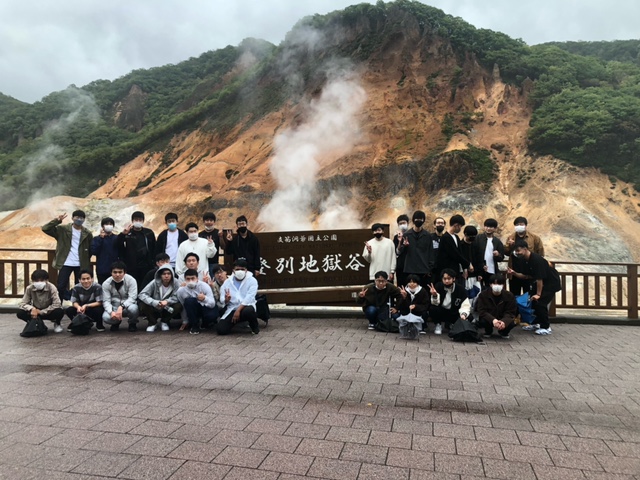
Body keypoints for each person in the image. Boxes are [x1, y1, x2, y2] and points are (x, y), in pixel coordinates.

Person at [510, 240, 560, 336]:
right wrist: (514, 273)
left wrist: (538, 294)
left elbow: (540, 279)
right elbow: (526, 276)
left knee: (540, 303)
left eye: (518, 250)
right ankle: (536, 323)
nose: (517, 253)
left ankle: (546, 327)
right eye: (515, 251)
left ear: (525, 249)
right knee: (532, 302)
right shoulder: (524, 260)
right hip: (538, 283)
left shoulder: (536, 259)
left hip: (550, 283)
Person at [42, 210, 93, 301]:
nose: (79, 219)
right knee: (61, 285)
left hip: (80, 264)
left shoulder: (87, 233)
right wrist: (57, 221)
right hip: (66, 262)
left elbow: (91, 248)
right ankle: (59, 305)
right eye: (77, 217)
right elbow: (45, 228)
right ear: (72, 218)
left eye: (81, 218)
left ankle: (77, 306)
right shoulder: (63, 229)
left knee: (80, 286)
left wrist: (86, 258)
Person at [216, 259, 260, 335]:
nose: (240, 271)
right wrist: (226, 300)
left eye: (242, 269)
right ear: (233, 270)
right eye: (237, 269)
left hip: (246, 307)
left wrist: (238, 310)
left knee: (249, 311)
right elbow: (222, 299)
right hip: (232, 308)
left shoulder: (252, 281)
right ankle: (236, 322)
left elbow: (249, 297)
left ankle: (254, 327)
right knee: (221, 330)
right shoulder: (227, 282)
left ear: (246, 270)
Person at [116, 211, 156, 291]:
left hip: (146, 265)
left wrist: (153, 262)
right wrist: (123, 234)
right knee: (132, 286)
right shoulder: (128, 233)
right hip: (131, 266)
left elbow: (154, 247)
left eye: (140, 220)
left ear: (143, 221)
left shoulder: (148, 233)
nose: (138, 221)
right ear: (132, 221)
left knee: (145, 286)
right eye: (136, 220)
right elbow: (117, 245)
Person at [504, 216, 544, 295]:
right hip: (514, 272)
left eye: (521, 224)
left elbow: (540, 253)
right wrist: (510, 246)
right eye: (517, 225)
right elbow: (506, 253)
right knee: (514, 296)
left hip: (529, 273)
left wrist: (537, 267)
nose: (519, 226)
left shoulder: (534, 238)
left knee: (529, 295)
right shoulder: (510, 238)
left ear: (525, 225)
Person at [396, 211, 435, 288]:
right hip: (409, 269)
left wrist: (430, 268)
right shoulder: (407, 235)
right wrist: (403, 244)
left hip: (423, 270)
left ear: (423, 220)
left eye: (421, 219)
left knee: (423, 291)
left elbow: (431, 253)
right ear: (413, 220)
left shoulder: (428, 236)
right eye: (417, 219)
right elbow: (399, 252)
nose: (418, 221)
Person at [139, 264, 183, 332]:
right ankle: (153, 323)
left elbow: (177, 296)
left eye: (169, 274)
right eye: (164, 274)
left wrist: (167, 301)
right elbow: (142, 294)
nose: (166, 276)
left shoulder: (176, 282)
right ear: (160, 275)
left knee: (179, 305)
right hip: (154, 306)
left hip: (168, 307)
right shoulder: (154, 282)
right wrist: (154, 302)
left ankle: (164, 321)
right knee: (142, 305)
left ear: (172, 275)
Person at [428, 268, 471, 335]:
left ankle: (453, 324)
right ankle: (438, 325)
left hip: (454, 312)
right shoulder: (438, 286)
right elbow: (435, 303)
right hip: (442, 311)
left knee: (469, 316)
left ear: (453, 279)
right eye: (444, 279)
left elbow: (465, 305)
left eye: (449, 278)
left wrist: (463, 314)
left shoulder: (460, 289)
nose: (446, 281)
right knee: (433, 309)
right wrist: (435, 295)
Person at [177, 269, 218, 334]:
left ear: (197, 278)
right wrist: (185, 321)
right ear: (185, 279)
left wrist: (204, 298)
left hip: (205, 307)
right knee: (189, 301)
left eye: (193, 278)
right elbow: (183, 307)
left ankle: (206, 323)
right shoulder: (181, 290)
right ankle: (194, 325)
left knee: (212, 316)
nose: (190, 281)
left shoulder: (204, 286)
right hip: (193, 309)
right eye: (188, 279)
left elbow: (212, 304)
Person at [101, 261, 139, 332]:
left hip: (128, 306)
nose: (117, 275)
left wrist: (122, 306)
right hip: (114, 307)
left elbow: (132, 297)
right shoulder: (106, 283)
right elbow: (106, 301)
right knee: (106, 317)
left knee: (134, 309)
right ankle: (116, 322)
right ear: (111, 273)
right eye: (115, 272)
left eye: (120, 272)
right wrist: (111, 312)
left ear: (125, 272)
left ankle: (132, 323)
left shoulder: (131, 280)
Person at [476, 274, 517, 338]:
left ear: (503, 285)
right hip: (489, 317)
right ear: (490, 284)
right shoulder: (483, 295)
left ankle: (504, 332)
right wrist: (493, 320)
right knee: (482, 320)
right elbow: (481, 311)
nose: (497, 286)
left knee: (511, 322)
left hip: (502, 317)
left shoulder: (509, 295)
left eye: (499, 284)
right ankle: (488, 331)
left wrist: (504, 321)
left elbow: (511, 312)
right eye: (494, 283)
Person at [434, 214, 471, 283]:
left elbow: (460, 253)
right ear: (456, 225)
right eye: (460, 226)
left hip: (456, 270)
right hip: (448, 272)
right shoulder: (445, 238)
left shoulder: (456, 237)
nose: (460, 229)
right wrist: (468, 264)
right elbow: (455, 254)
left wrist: (464, 268)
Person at [475, 218, 505, 287]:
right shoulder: (478, 238)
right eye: (487, 226)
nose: (488, 228)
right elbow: (475, 254)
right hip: (480, 269)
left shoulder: (497, 241)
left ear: (495, 228)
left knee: (490, 288)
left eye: (491, 227)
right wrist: (481, 265)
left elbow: (501, 258)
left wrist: (498, 255)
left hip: (492, 269)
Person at [91, 217, 119, 284]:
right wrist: (101, 238)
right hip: (102, 269)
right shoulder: (97, 239)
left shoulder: (117, 238)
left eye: (110, 224)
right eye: (106, 224)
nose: (109, 226)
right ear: (102, 226)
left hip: (115, 270)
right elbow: (93, 251)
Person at [392, 214, 410, 287]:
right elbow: (397, 252)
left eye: (404, 223)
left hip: (411, 266)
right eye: (400, 223)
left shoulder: (412, 234)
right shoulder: (396, 237)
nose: (402, 225)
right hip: (401, 266)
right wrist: (400, 242)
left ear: (408, 223)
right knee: (401, 286)